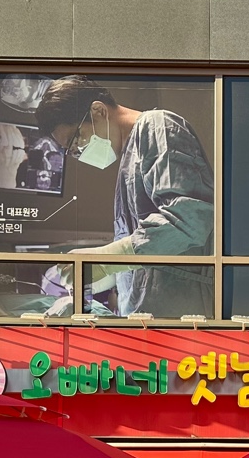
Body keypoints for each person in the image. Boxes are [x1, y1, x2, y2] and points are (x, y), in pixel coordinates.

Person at [35, 77, 215, 317]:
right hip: (150, 324)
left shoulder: (158, 127)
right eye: (72, 151)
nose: (79, 152)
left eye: (76, 139)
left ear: (98, 110)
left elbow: (189, 221)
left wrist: (104, 261)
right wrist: (104, 281)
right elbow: (142, 260)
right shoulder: (128, 163)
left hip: (184, 325)